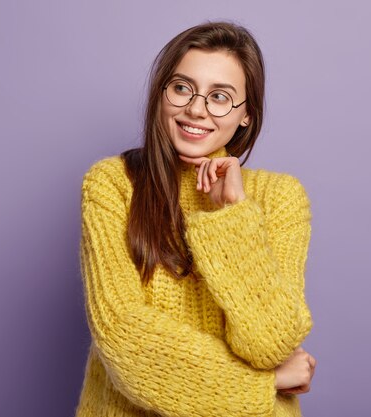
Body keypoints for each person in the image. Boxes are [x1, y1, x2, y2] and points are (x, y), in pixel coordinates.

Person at [75, 21, 317, 417]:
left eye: (220, 96)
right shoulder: (112, 184)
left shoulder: (280, 198)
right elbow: (123, 339)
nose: (196, 108)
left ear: (246, 116)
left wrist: (232, 216)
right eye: (182, 87)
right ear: (161, 94)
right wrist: (264, 382)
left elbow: (271, 343)